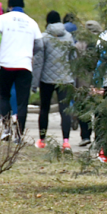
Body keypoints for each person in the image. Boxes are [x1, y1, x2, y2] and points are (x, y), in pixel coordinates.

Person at [0, 0, 43, 142]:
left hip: (6, 64)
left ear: (9, 5)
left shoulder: (4, 18)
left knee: (4, 96)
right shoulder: (31, 22)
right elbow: (40, 44)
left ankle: (6, 129)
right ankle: (19, 135)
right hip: (24, 65)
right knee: (22, 102)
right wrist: (29, 53)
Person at [33, 10, 76, 151]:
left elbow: (38, 62)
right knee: (65, 110)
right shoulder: (69, 37)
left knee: (44, 109)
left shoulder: (44, 37)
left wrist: (35, 82)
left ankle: (42, 139)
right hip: (65, 78)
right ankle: (66, 141)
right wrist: (73, 79)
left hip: (46, 79)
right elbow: (73, 59)